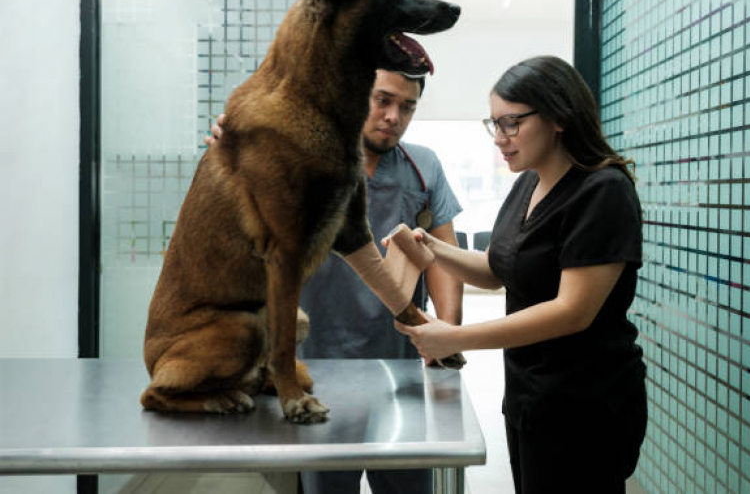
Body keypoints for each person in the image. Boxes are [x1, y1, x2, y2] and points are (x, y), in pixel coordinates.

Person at [393, 56, 648, 493]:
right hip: (531, 397)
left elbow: (572, 312)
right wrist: (432, 249)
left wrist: (455, 336)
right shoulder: (528, 183)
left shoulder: (603, 192)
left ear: (559, 117)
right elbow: (497, 269)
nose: (500, 139)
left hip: (586, 407)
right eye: (494, 125)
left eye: (511, 123)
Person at [208, 68, 463, 494]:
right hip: (317, 367)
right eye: (382, 100)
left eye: (407, 106)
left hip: (399, 370)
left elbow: (444, 258)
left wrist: (447, 335)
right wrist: (232, 157)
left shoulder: (423, 168)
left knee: (407, 483)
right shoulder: (299, 165)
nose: (393, 116)